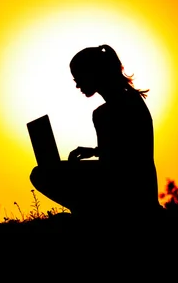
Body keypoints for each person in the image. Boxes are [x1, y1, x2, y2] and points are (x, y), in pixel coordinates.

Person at [30, 44, 162, 221]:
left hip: (128, 194)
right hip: (143, 192)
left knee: (41, 174)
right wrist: (94, 151)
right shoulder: (131, 100)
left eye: (78, 77)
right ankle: (89, 213)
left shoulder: (106, 112)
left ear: (94, 73)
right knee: (48, 171)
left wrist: (71, 168)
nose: (77, 84)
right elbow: (125, 150)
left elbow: (116, 167)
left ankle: (90, 215)